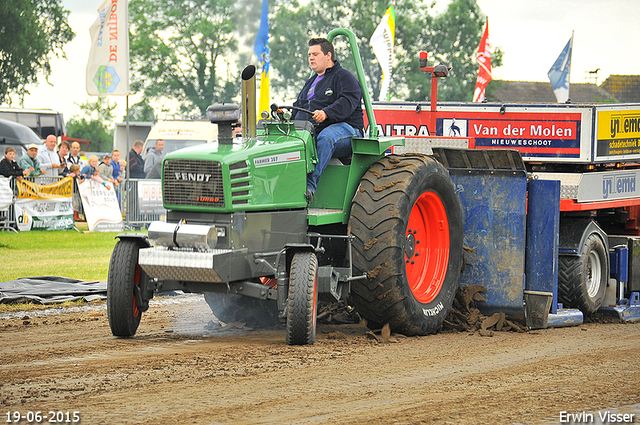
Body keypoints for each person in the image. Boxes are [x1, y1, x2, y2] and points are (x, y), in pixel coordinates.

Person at [291, 38, 364, 204]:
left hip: (348, 129)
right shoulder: (310, 82)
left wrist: (326, 113)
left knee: (326, 137)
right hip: (313, 129)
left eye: (315, 54)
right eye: (309, 54)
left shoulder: (344, 77)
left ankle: (309, 187)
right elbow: (298, 106)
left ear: (328, 55)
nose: (311, 58)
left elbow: (347, 102)